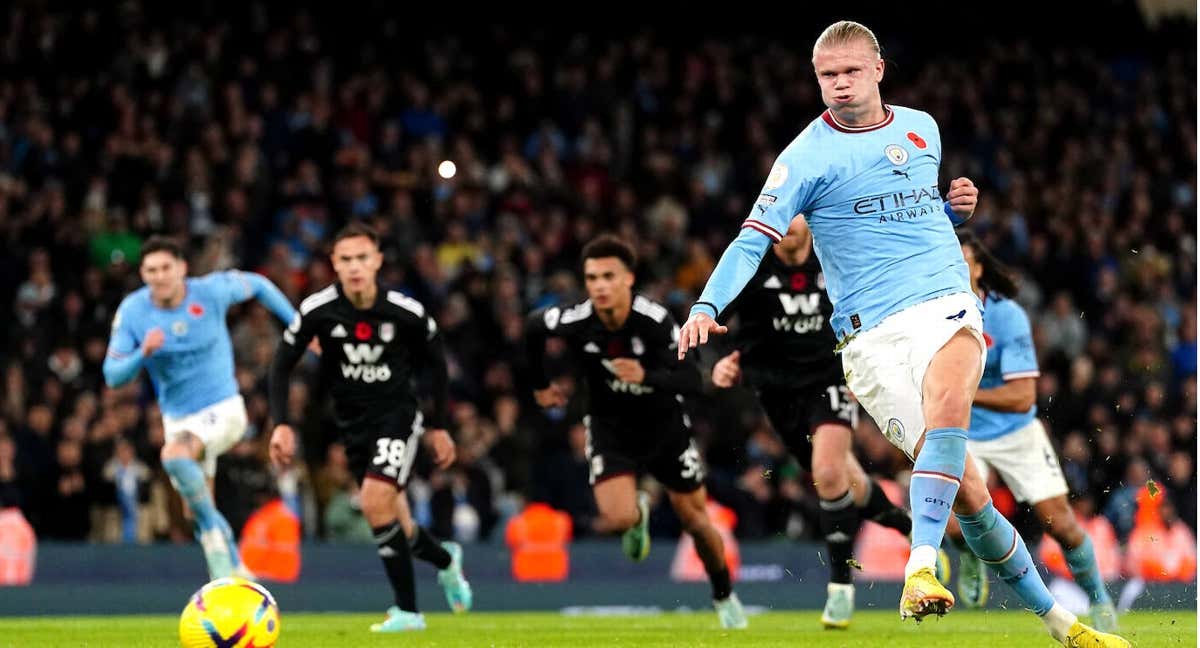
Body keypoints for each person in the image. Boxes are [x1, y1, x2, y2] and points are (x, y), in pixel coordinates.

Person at [676, 20, 1127, 647]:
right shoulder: (804, 157)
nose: (838, 85)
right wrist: (706, 305)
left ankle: (920, 569)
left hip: (946, 303)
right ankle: (1060, 623)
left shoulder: (922, 128)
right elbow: (754, 238)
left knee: (950, 409)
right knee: (970, 495)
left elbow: (914, 218)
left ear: (878, 69)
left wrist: (951, 212)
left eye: (850, 72)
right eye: (827, 76)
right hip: (869, 335)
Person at [709, 214, 943, 628]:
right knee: (846, 484)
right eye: (780, 219)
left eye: (795, 217)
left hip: (830, 380)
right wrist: (732, 362)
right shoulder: (753, 266)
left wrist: (867, 362)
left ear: (810, 222)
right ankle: (909, 529)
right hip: (779, 393)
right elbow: (739, 331)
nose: (786, 227)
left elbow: (871, 310)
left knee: (828, 471)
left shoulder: (834, 258)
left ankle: (839, 587)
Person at [524, 234, 748, 629]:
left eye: (609, 276)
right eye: (592, 278)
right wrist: (540, 384)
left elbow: (693, 379)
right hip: (610, 430)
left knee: (696, 522)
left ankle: (724, 594)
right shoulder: (577, 319)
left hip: (664, 428)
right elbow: (532, 327)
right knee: (617, 517)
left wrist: (647, 375)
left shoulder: (657, 321)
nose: (599, 286)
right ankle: (637, 514)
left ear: (628, 278)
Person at [268, 222, 471, 633]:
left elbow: (437, 364)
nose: (355, 267)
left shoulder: (406, 311)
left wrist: (439, 426)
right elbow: (280, 365)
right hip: (352, 425)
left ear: (378, 261)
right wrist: (281, 424)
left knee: (374, 501)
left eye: (363, 258)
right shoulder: (318, 310)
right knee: (403, 527)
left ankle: (408, 612)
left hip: (397, 418)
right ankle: (447, 561)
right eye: (346, 260)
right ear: (334, 265)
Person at [948, 232, 1118, 631]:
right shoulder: (932, 314)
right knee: (957, 522)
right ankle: (971, 557)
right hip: (964, 431)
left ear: (978, 268)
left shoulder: (1006, 315)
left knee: (1060, 524)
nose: (954, 265)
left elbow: (1023, 397)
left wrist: (966, 392)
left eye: (962, 259)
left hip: (1015, 432)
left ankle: (1099, 597)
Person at [103, 236, 296, 580]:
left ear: (182, 269)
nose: (159, 276)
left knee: (174, 456)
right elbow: (113, 375)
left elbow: (260, 285)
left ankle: (229, 558)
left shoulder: (209, 292)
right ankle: (231, 581)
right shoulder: (133, 311)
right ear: (143, 274)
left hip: (224, 408)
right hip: (178, 418)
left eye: (166, 268)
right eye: (151, 270)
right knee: (197, 512)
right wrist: (141, 354)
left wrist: (297, 326)